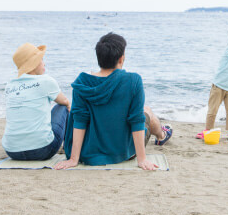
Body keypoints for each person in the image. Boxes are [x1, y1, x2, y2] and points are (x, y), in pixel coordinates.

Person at [54, 32, 172, 171]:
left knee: (141, 112)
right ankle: (162, 135)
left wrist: (74, 159)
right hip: (123, 154)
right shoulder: (133, 81)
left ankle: (162, 134)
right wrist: (142, 159)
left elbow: (80, 120)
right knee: (146, 111)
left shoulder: (82, 83)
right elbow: (136, 121)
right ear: (121, 59)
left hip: (87, 154)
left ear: (99, 58)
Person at [2, 43, 71, 160]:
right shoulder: (46, 81)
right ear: (34, 64)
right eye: (41, 60)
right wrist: (68, 105)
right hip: (43, 150)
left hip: (12, 151)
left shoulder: (9, 85)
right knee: (62, 107)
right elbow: (64, 101)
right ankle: (68, 146)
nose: (44, 63)